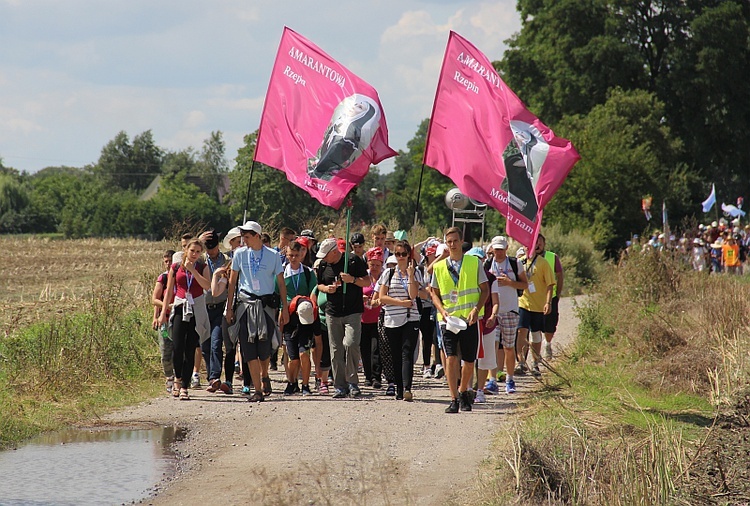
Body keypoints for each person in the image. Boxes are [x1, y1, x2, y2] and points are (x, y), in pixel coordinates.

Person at [225, 221, 289, 403]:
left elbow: (281, 283)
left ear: (257, 236)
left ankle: (265, 374)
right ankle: (258, 390)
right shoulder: (239, 254)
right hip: (246, 304)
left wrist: (284, 308)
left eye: (246, 236)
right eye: (242, 236)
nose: (243, 240)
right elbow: (232, 282)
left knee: (265, 347)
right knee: (247, 348)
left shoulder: (273, 256)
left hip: (266, 306)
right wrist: (229, 308)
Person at [430, 227, 489, 413]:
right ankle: (454, 398)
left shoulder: (474, 263)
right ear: (446, 244)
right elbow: (433, 293)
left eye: (455, 241)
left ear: (461, 241)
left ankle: (464, 391)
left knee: (469, 361)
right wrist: (442, 311)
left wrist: (476, 309)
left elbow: (485, 289)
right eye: (449, 242)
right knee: (451, 358)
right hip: (448, 320)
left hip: (469, 319)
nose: (453, 245)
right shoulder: (439, 267)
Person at [315, 237, 369, 398]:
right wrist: (326, 289)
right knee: (336, 349)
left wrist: (352, 280)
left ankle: (352, 381)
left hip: (352, 311)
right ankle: (340, 385)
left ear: (334, 252)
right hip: (333, 311)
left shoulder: (352, 261)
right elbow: (319, 284)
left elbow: (367, 281)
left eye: (326, 255)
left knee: (351, 343)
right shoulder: (324, 265)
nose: (324, 258)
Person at [159, 239, 211, 400]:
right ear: (186, 251)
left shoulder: (203, 267)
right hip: (180, 306)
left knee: (190, 349)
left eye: (198, 252)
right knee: (178, 346)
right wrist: (162, 313)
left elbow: (207, 286)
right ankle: (177, 379)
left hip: (196, 309)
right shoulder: (175, 267)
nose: (195, 254)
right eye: (192, 251)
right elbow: (169, 292)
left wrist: (194, 271)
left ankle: (185, 386)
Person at [378, 241, 421, 401]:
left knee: (407, 352)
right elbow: (382, 297)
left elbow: (414, 295)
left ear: (409, 255)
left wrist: (410, 275)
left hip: (411, 318)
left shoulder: (415, 273)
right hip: (392, 319)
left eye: (404, 254)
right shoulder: (388, 273)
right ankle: (399, 388)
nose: (401, 257)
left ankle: (407, 387)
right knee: (395, 354)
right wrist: (401, 303)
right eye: (398, 254)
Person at [485, 236, 528, 394]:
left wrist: (510, 282)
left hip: (510, 311)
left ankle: (510, 379)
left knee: (509, 347)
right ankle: (492, 380)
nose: (499, 252)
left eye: (501, 249)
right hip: (493, 313)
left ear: (506, 249)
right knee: (492, 346)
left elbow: (525, 284)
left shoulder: (515, 264)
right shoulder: (488, 264)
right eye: (496, 249)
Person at [278, 241, 318, 395]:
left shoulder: (308, 273)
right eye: (291, 255)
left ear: (301, 255)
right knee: (292, 356)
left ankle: (306, 385)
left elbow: (313, 294)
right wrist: (281, 316)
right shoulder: (281, 273)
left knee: (304, 353)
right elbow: (278, 295)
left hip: (305, 316)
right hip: (288, 316)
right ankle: (292, 382)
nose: (293, 258)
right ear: (286, 255)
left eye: (296, 255)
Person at [208, 227, 243, 394]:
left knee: (247, 348)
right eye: (237, 242)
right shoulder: (228, 265)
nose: (240, 245)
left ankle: (251, 381)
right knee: (229, 347)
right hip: (228, 309)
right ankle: (227, 381)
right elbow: (215, 292)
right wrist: (216, 275)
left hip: (247, 307)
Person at [516, 239, 555, 378]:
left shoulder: (543, 263)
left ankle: (535, 362)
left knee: (536, 334)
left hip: (538, 305)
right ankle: (520, 362)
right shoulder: (519, 262)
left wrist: (548, 303)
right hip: (523, 303)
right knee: (521, 331)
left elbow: (550, 284)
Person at [466, 246, 499, 404]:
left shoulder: (491, 279)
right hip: (469, 323)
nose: (477, 262)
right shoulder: (465, 277)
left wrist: (493, 315)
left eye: (479, 259)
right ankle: (468, 389)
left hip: (486, 324)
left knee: (484, 359)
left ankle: (480, 390)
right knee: (468, 357)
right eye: (474, 259)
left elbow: (495, 301)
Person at [202, 231, 229, 393]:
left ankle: (215, 376)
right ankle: (211, 375)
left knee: (216, 342)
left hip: (220, 306)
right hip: (203, 307)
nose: (210, 251)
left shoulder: (226, 260)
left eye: (213, 247)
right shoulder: (200, 260)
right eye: (207, 247)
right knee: (204, 345)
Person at [152, 249, 176, 394]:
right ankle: (169, 377)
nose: (168, 264)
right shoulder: (163, 278)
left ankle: (181, 378)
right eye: (166, 261)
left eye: (170, 261)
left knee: (180, 351)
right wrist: (156, 316)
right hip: (165, 319)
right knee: (165, 351)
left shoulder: (180, 276)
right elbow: (156, 299)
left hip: (180, 318)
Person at [536, 234, 563, 360]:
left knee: (550, 325)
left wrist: (557, 294)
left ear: (544, 244)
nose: (537, 244)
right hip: (533, 298)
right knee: (534, 326)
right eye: (535, 242)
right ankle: (535, 352)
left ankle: (548, 344)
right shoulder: (526, 258)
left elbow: (560, 275)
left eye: (540, 242)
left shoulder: (552, 257)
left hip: (550, 297)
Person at [361, 247, 384, 388]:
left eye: (377, 265)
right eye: (372, 264)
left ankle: (377, 376)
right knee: (365, 349)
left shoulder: (385, 276)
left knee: (377, 349)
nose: (374, 267)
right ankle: (367, 376)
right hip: (363, 319)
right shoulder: (364, 277)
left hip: (379, 319)